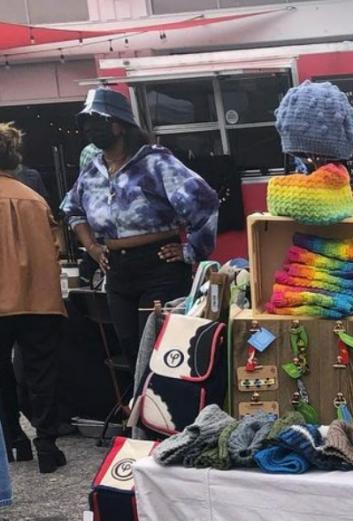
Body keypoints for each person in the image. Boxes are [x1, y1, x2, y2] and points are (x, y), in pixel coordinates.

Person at [61, 88, 219, 366]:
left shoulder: (155, 163)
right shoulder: (92, 171)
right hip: (117, 270)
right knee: (130, 348)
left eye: (97, 121)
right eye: (86, 122)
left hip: (159, 266)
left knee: (158, 348)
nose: (90, 128)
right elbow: (72, 209)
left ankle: (161, 395)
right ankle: (136, 395)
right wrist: (93, 248)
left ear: (119, 125)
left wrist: (191, 251)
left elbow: (204, 201)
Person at [0, 123, 67, 473]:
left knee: (1, 374)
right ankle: (47, 444)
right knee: (42, 372)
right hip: (40, 298)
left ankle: (14, 438)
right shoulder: (35, 198)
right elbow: (56, 246)